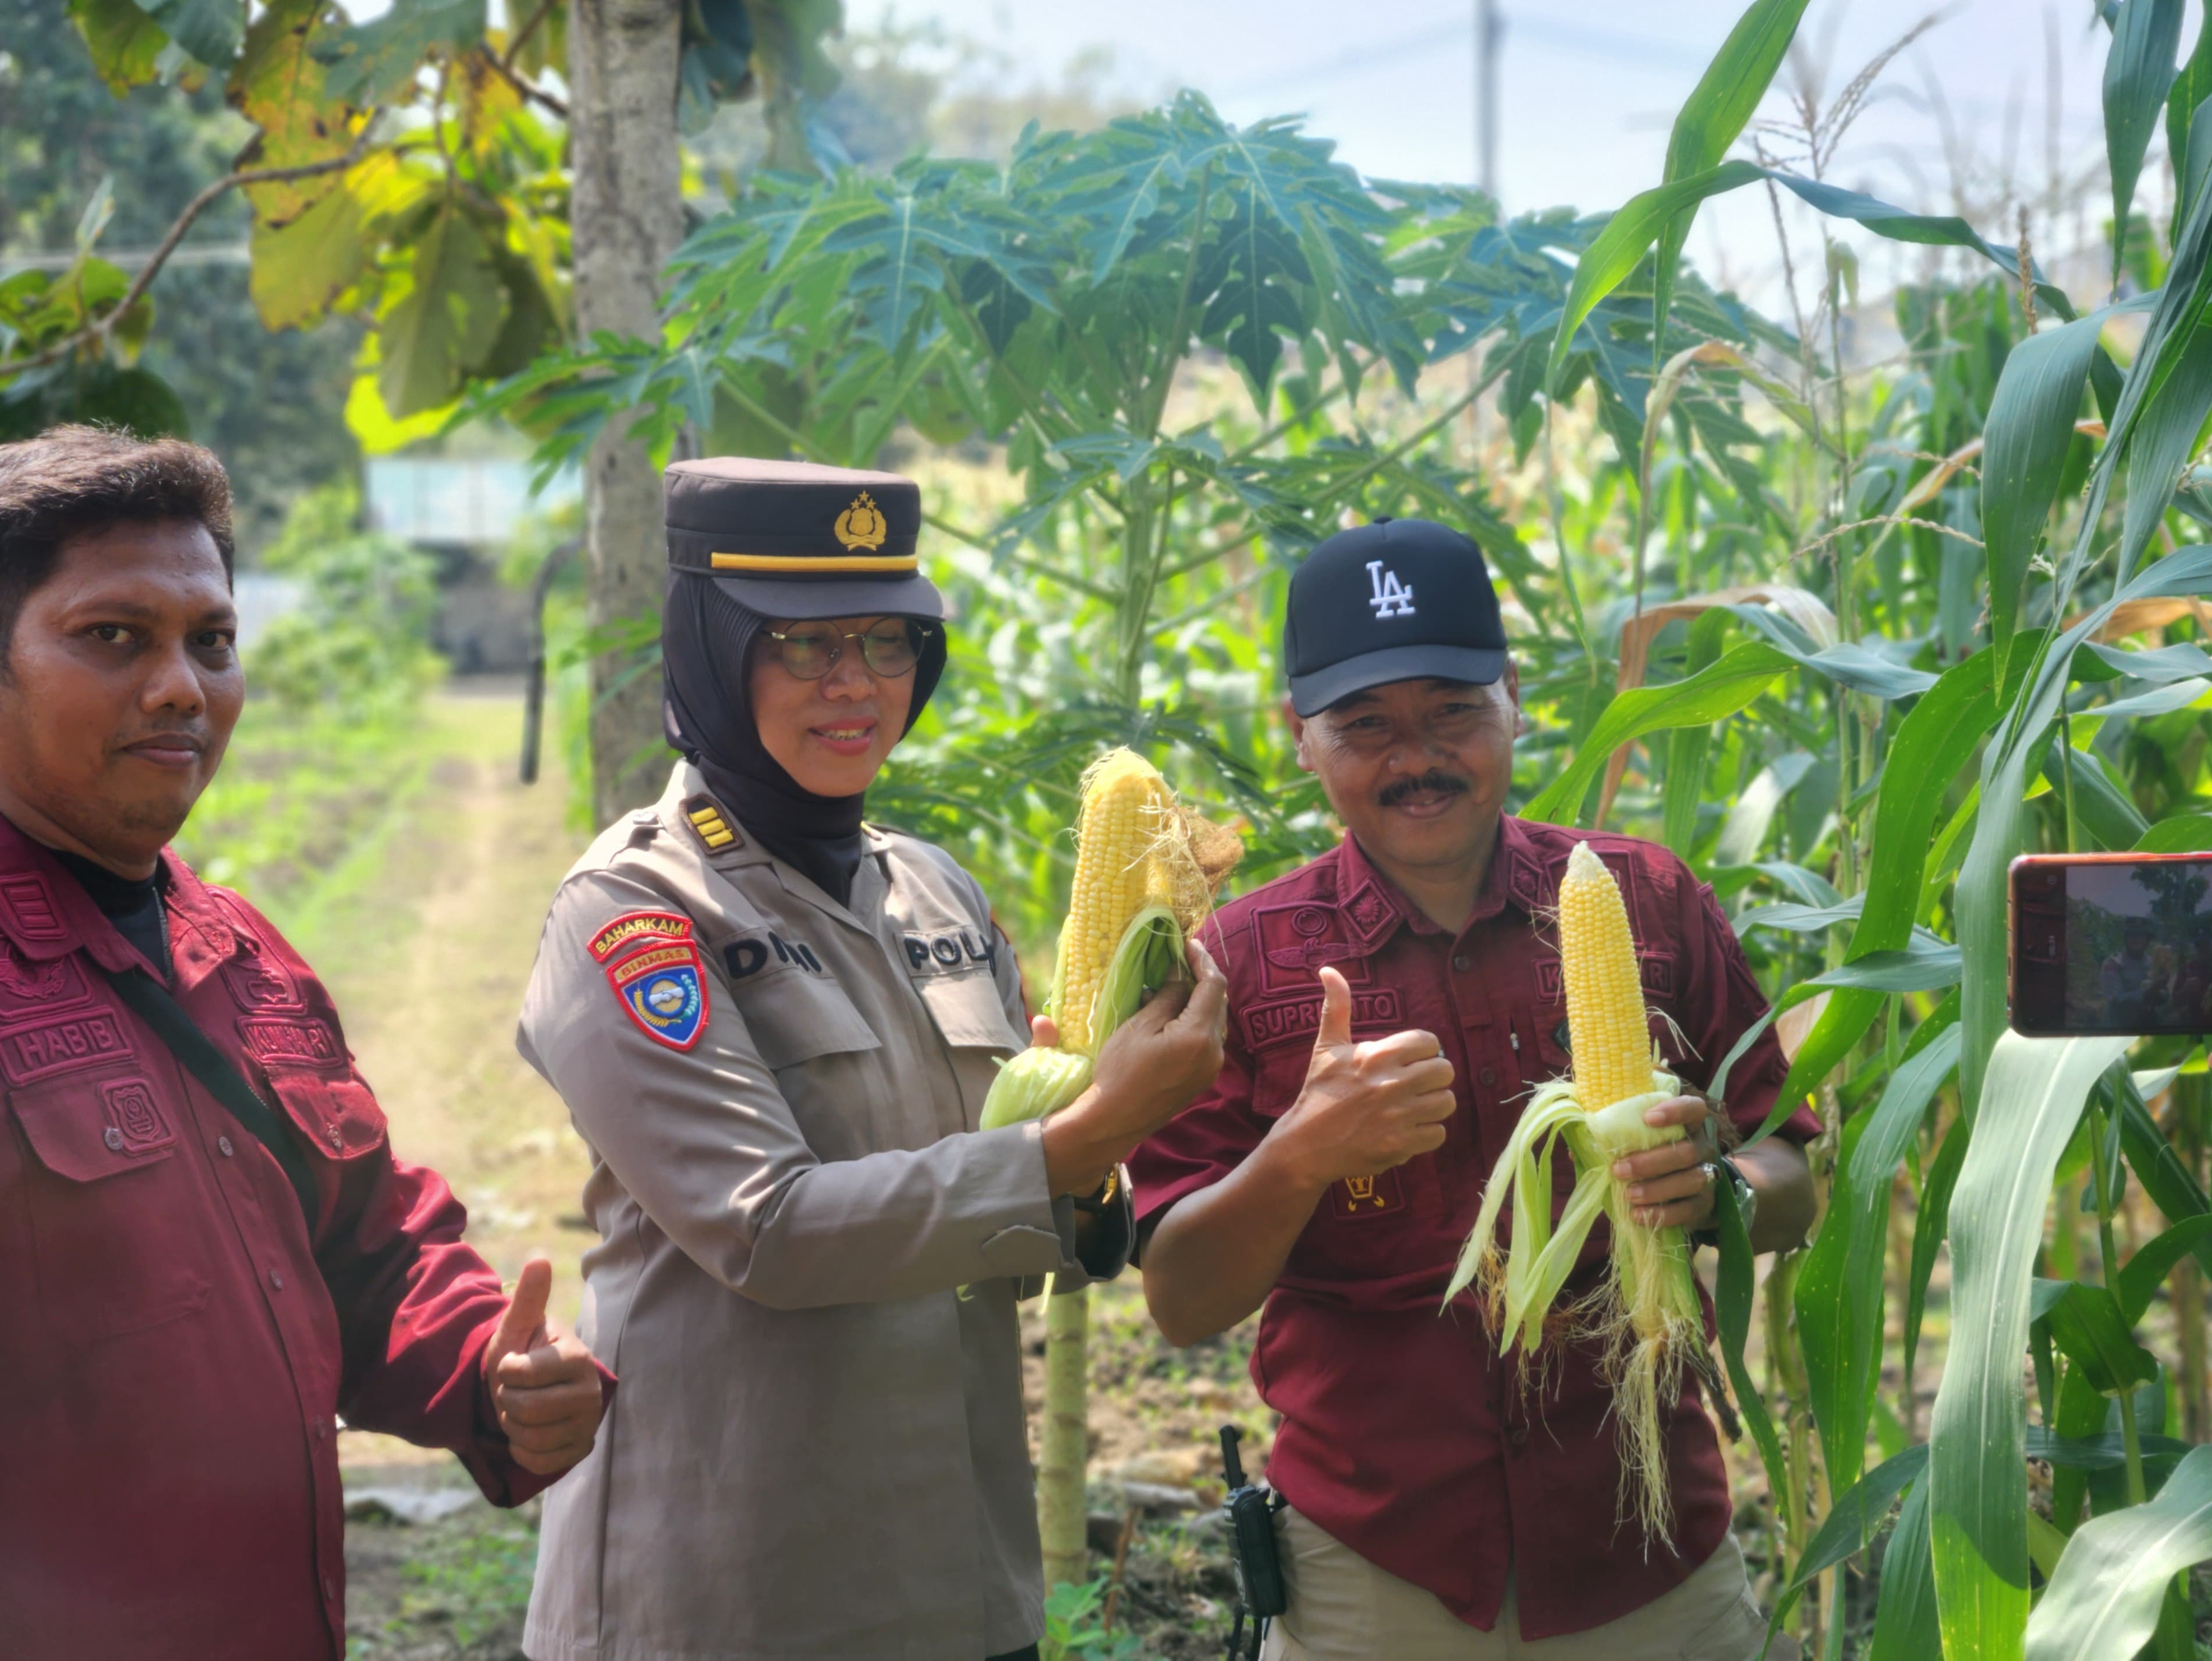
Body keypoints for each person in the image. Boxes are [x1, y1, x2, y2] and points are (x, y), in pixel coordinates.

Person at [0, 428, 612, 1661]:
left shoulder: (242, 953)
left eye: (211, 642)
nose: (182, 686)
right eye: (114, 636)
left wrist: (496, 1377)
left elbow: (365, 1254)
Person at [514, 457, 1229, 1661]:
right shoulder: (636, 912)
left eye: (887, 643)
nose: (853, 685)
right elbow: (769, 1231)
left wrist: (1097, 1168)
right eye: (800, 646)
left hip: (952, 1582)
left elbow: (1009, 1237)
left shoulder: (934, 892)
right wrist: (1082, 1138)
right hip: (732, 1595)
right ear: (709, 648)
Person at [1129, 518, 1820, 1661]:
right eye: (1364, 727)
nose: (1415, 758)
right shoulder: (1238, 964)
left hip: (1648, 1555)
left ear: (1511, 698)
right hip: (1376, 1571)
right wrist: (1299, 1154)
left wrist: (1715, 1188)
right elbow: (1179, 1300)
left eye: (1450, 710)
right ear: (1297, 739)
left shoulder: (1647, 899)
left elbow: (1790, 1175)